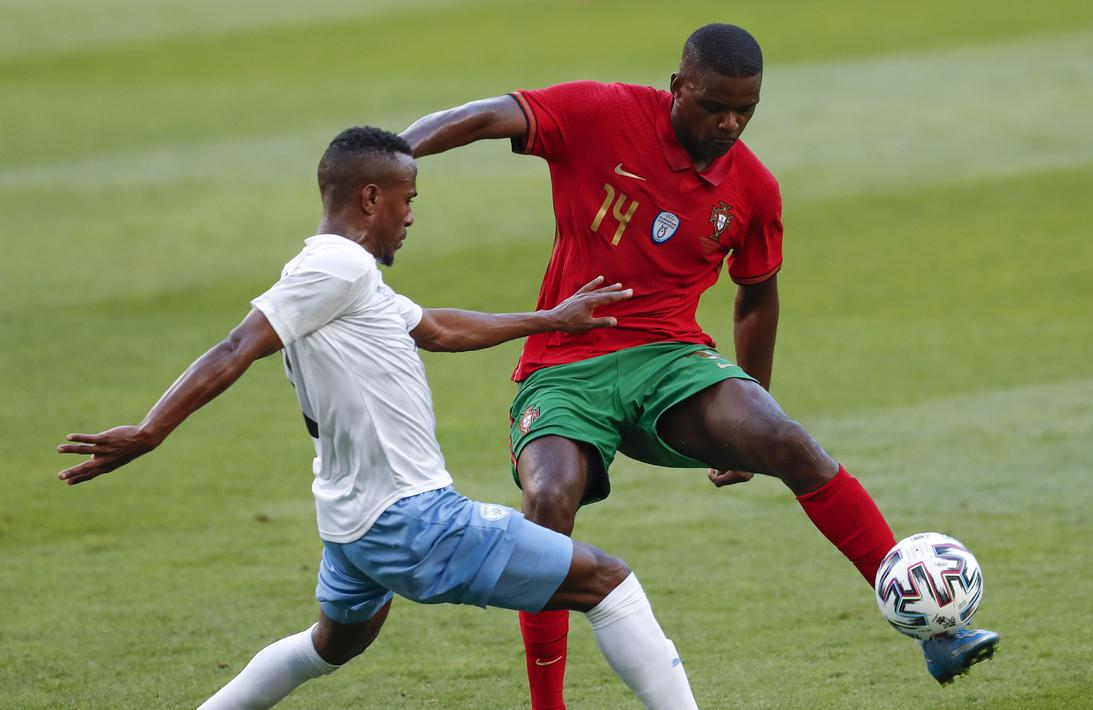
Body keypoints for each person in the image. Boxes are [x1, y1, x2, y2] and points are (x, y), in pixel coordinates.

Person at [400, 23, 999, 705]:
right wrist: (394, 158)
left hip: (671, 361)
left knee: (790, 443)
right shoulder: (600, 112)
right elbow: (477, 117)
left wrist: (753, 402)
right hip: (565, 362)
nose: (730, 123)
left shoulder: (752, 188)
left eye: (746, 109)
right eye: (714, 105)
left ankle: (934, 633)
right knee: (546, 503)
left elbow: (756, 297)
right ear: (677, 86)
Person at [56, 126, 700, 710]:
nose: (410, 216)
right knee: (609, 584)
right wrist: (151, 430)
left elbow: (439, 329)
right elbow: (236, 346)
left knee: (328, 648)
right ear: (370, 198)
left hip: (351, 523)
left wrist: (551, 319)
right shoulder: (332, 266)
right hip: (409, 517)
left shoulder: (352, 278)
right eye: (406, 198)